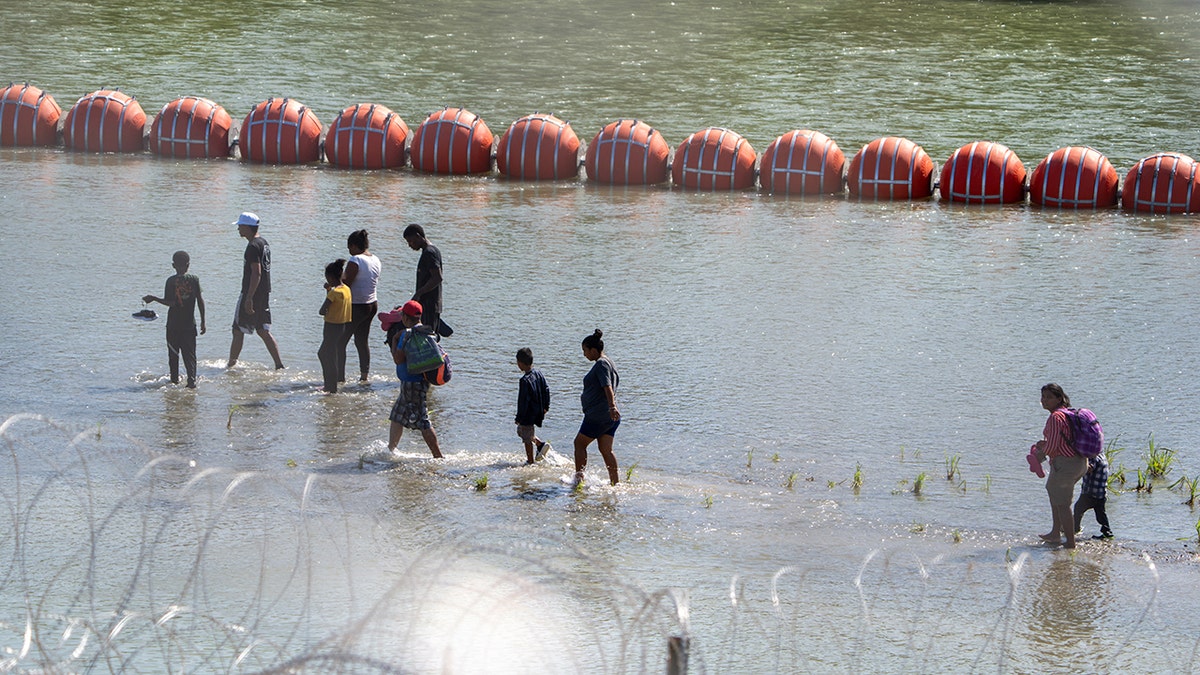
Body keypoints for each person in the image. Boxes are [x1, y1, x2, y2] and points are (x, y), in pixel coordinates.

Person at [383, 300, 443, 458]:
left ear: (406, 318)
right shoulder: (426, 332)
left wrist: (394, 341)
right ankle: (391, 450)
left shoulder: (406, 334)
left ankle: (438, 456)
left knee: (423, 420)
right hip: (419, 381)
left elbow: (398, 359)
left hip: (412, 383)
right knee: (396, 415)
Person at [1033, 383, 1089, 548]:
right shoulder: (1067, 413)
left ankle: (1070, 543)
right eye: (1043, 397)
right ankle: (1055, 533)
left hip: (1066, 464)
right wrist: (1045, 444)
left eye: (1049, 397)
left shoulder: (1056, 417)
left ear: (1059, 398)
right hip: (1080, 462)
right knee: (1054, 492)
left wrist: (1039, 455)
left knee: (1063, 504)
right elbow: (1063, 439)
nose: (1044, 400)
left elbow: (1053, 446)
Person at [227, 212, 284, 369]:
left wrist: (249, 297)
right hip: (264, 293)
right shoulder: (263, 243)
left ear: (247, 227)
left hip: (252, 292)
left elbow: (257, 272)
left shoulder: (252, 246)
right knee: (263, 330)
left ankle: (231, 366)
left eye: (240, 226)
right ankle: (279, 365)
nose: (238, 228)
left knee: (237, 330)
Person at [142, 250, 206, 388]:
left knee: (173, 355)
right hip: (189, 325)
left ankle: (175, 381)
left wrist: (154, 298)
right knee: (190, 356)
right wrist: (203, 321)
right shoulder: (194, 280)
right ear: (188, 265)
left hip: (173, 326)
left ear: (173, 265)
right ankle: (191, 382)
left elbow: (170, 303)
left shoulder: (171, 281)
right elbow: (200, 301)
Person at [573, 329, 621, 486]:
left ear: (593, 350)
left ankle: (579, 479)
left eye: (585, 351)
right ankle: (615, 483)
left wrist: (612, 406)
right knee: (606, 450)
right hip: (609, 417)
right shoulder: (609, 362)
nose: (584, 354)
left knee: (579, 444)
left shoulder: (601, 364)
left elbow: (607, 386)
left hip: (598, 416)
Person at [339, 229, 381, 383]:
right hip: (371, 304)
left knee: (340, 342)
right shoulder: (375, 259)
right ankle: (364, 376)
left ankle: (339, 378)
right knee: (362, 341)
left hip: (357, 306)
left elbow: (346, 283)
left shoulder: (355, 259)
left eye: (349, 247)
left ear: (355, 246)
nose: (349, 251)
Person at [403, 224, 443, 340]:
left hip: (429, 305)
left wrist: (418, 293)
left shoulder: (429, 253)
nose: (410, 245)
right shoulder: (430, 250)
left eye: (410, 241)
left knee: (428, 340)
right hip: (427, 305)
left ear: (418, 236)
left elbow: (437, 278)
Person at [318, 259, 352, 393]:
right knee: (330, 354)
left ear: (330, 277)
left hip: (331, 326)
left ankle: (330, 386)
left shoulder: (334, 293)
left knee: (325, 354)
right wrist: (329, 290)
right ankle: (331, 384)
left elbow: (322, 310)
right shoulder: (346, 289)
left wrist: (329, 292)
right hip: (342, 326)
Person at [515, 347, 552, 464]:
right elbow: (546, 389)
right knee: (523, 432)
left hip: (528, 412)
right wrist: (546, 406)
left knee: (526, 437)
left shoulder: (524, 380)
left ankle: (530, 461)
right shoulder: (538, 373)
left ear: (520, 363)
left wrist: (519, 417)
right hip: (538, 409)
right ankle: (540, 444)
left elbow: (523, 401)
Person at [1074, 453, 1114, 540]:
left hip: (1090, 492)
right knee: (1101, 514)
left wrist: (1079, 464)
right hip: (1101, 492)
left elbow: (1089, 469)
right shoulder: (1102, 456)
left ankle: (1075, 529)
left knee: (1078, 509)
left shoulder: (1093, 457)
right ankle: (1107, 531)